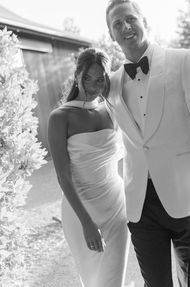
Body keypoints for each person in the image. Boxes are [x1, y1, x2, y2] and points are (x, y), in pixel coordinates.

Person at [105, 1, 190, 286]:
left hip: (188, 198)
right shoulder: (110, 83)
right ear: (112, 35)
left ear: (145, 21)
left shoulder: (183, 60)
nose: (125, 27)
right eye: (116, 24)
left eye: (130, 19)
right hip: (140, 205)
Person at [47, 48, 130, 287]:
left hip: (116, 206)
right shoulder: (60, 117)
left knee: (114, 280)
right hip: (80, 210)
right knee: (94, 280)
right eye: (87, 78)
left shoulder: (112, 109)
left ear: (107, 79)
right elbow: (63, 176)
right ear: (77, 76)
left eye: (99, 79)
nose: (93, 86)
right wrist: (86, 223)